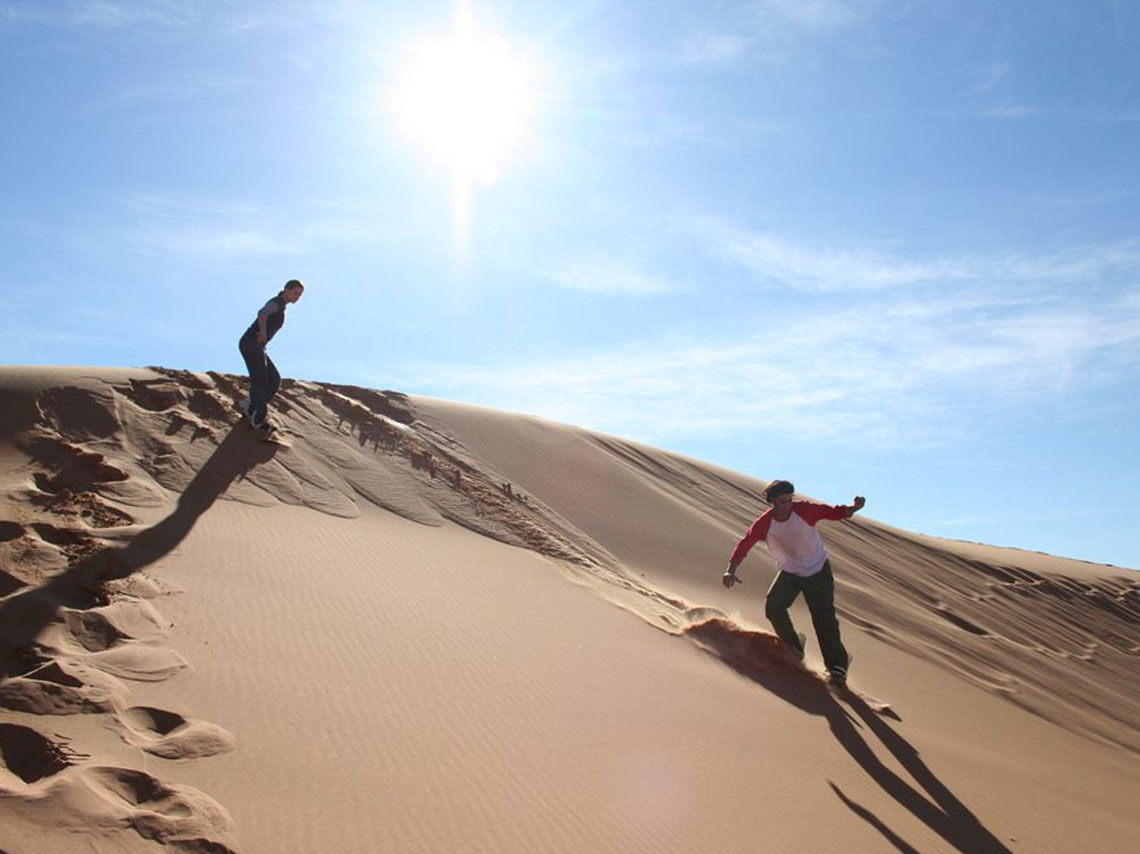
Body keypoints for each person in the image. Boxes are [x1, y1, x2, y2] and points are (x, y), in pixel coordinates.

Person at [721, 480, 865, 685]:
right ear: (772, 502)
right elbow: (745, 543)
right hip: (790, 572)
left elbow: (830, 512)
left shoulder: (804, 510)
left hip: (817, 569)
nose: (788, 504)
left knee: (823, 618)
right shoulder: (765, 524)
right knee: (774, 607)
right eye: (782, 501)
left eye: (790, 499)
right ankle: (794, 647)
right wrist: (731, 570)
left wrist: (852, 509)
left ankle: (837, 665)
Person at [238, 279, 304, 436]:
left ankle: (253, 408)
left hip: (257, 346)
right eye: (295, 293)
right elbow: (262, 313)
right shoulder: (277, 302)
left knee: (274, 379)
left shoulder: (281, 307)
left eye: (300, 295)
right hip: (250, 343)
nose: (297, 297)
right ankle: (259, 420)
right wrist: (263, 333)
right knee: (260, 379)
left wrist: (264, 340)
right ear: (286, 290)